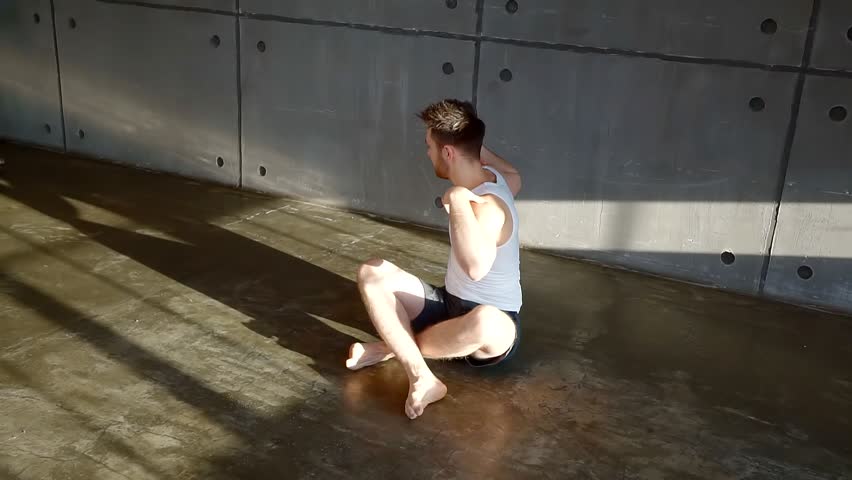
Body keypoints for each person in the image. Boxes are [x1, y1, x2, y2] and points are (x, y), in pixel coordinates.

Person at [345, 99, 523, 419]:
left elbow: (475, 267)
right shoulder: (499, 176)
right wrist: (466, 136)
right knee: (372, 273)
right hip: (448, 305)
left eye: (430, 145)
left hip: (489, 329)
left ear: (448, 153)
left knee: (486, 320)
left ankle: (391, 346)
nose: (427, 153)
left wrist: (456, 200)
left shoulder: (487, 206)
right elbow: (513, 172)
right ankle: (422, 375)